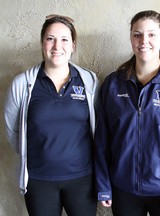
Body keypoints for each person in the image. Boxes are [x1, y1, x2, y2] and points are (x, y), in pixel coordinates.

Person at [94, 10, 160, 216]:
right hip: (123, 189)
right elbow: (102, 139)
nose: (144, 41)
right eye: (137, 34)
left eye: (151, 34)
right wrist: (103, 185)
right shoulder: (113, 83)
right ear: (131, 38)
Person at [4, 14, 99, 216]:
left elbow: (98, 127)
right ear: (42, 43)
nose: (57, 46)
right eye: (50, 38)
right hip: (39, 181)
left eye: (64, 39)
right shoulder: (22, 84)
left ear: (73, 45)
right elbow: (13, 130)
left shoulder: (89, 81)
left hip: (82, 180)